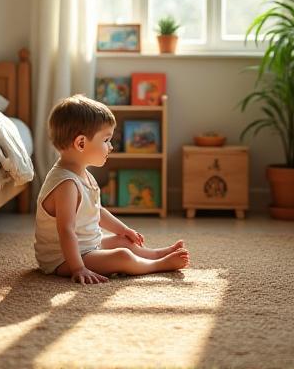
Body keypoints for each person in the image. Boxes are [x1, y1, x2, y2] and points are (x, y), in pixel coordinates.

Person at [34, 94, 189, 284]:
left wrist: (123, 229)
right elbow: (66, 231)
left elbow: (95, 211)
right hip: (63, 259)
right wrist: (78, 268)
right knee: (122, 256)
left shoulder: (82, 173)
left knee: (123, 241)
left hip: (86, 246)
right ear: (81, 143)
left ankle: (154, 254)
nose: (111, 147)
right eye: (106, 140)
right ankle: (158, 265)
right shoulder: (66, 184)